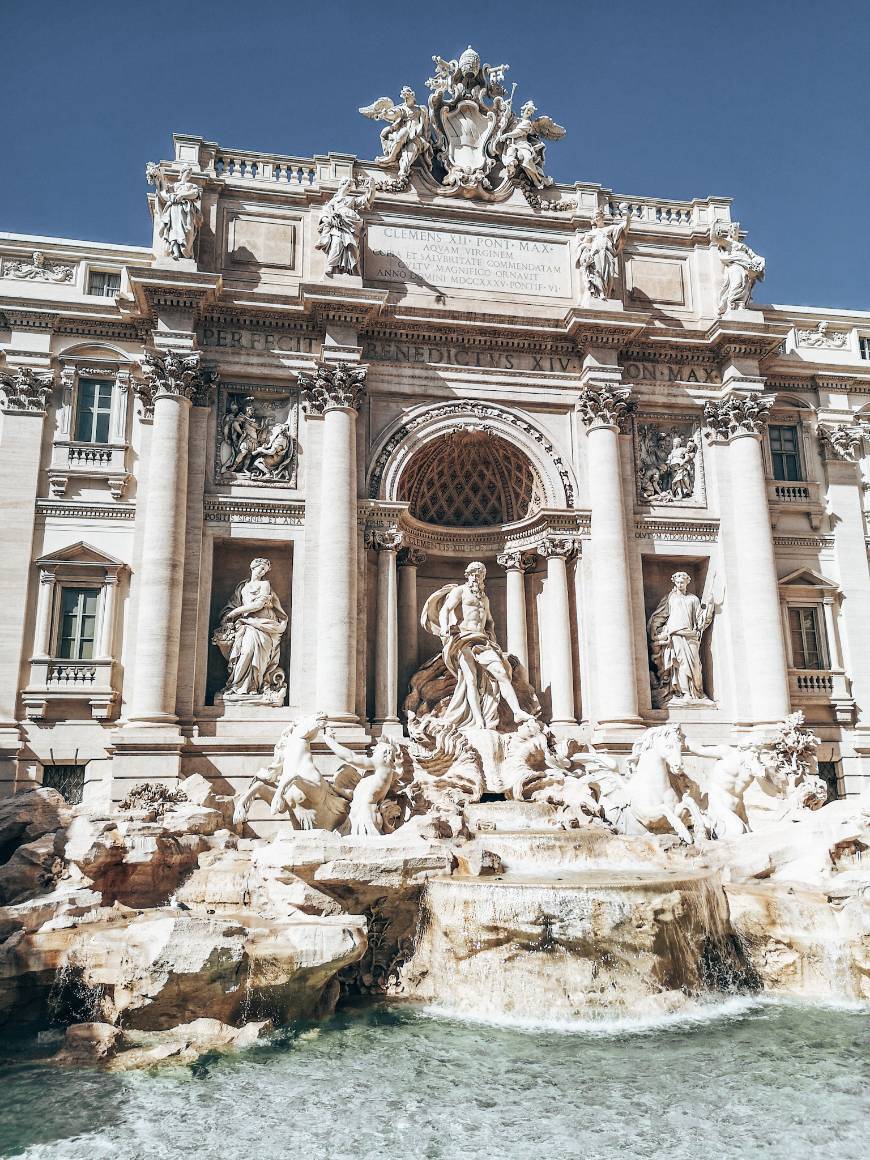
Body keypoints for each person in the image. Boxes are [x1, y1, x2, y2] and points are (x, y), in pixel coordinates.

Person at [421, 561, 534, 731]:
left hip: (482, 641)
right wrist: (444, 628)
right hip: (463, 638)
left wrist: (493, 642)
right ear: (468, 575)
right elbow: (445, 609)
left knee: (502, 673)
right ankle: (478, 720)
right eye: (473, 573)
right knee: (470, 679)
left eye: (480, 574)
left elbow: (489, 622)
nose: (476, 577)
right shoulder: (460, 591)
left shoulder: (484, 598)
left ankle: (517, 711)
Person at [214, 558, 288, 699]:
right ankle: (237, 686)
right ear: (252, 567)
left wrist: (235, 613)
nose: (262, 572)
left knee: (256, 656)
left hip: (263, 626)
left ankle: (254, 687)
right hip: (246, 624)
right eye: (260, 568)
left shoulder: (265, 584)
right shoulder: (242, 587)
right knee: (245, 652)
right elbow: (233, 604)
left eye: (265, 570)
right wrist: (228, 615)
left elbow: (258, 605)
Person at [648, 571, 713, 702]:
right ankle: (684, 693)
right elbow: (660, 615)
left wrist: (710, 606)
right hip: (675, 635)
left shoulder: (693, 599)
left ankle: (696, 691)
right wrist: (655, 629)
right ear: (674, 582)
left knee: (695, 665)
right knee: (680, 665)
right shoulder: (670, 597)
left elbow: (700, 620)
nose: (679, 584)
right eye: (677, 582)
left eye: (682, 582)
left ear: (687, 582)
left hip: (690, 636)